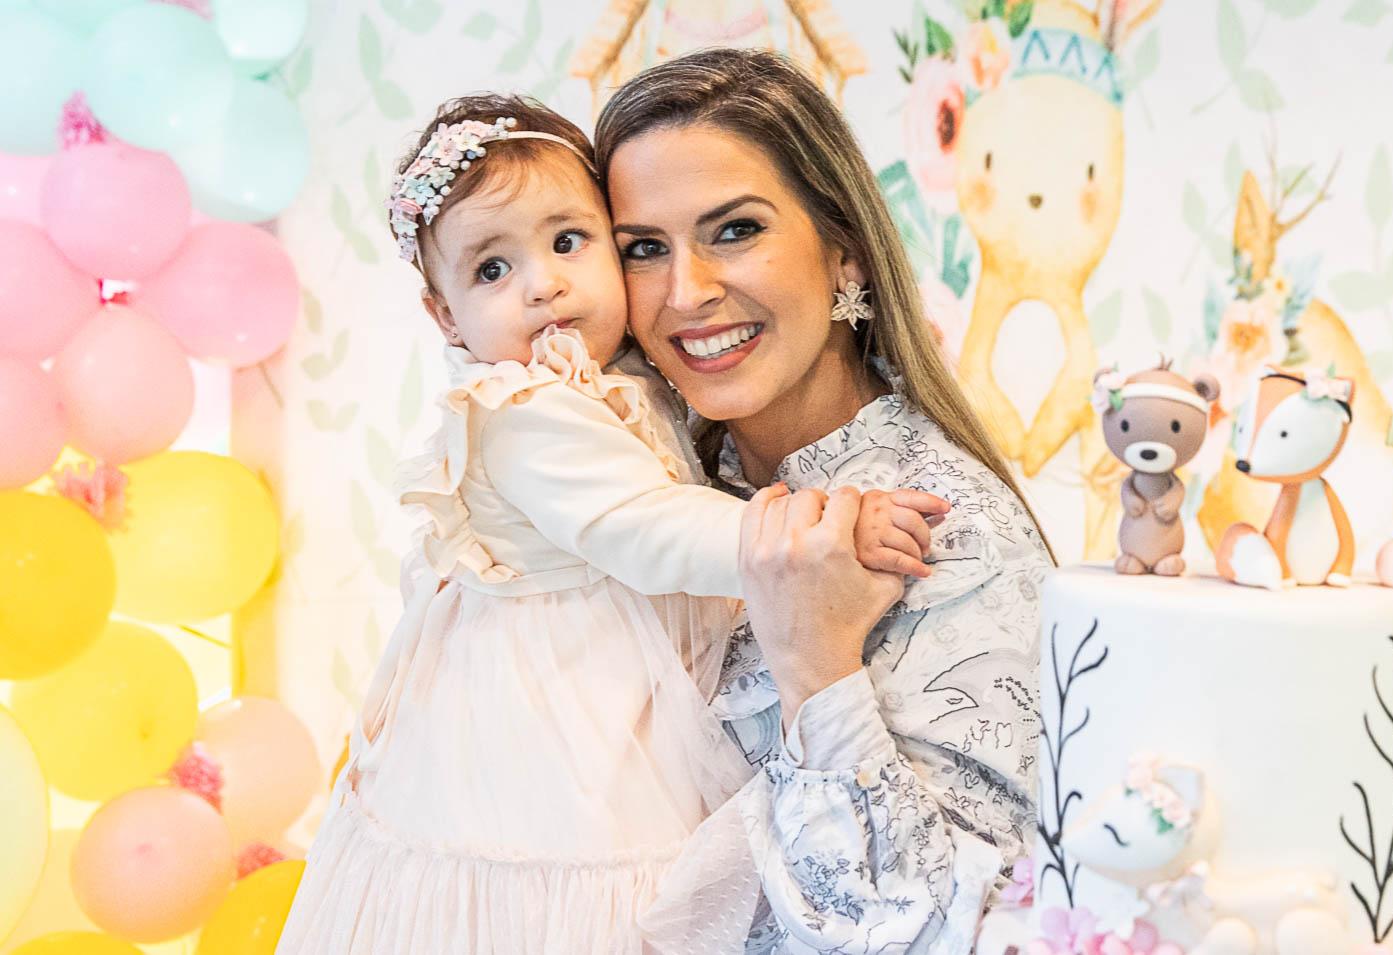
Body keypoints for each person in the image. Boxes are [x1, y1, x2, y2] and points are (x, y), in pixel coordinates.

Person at [276, 92, 946, 955]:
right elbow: (642, 524)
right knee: (586, 906)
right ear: (444, 314)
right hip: (556, 730)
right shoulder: (523, 409)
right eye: (492, 269)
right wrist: (813, 531)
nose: (543, 283)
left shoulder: (615, 376)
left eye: (569, 241)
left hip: (619, 695)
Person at [595, 48, 1055, 954]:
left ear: (844, 252)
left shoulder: (949, 532)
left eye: (734, 230)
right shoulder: (654, 498)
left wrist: (816, 667)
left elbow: (947, 931)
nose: (686, 292)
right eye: (643, 248)